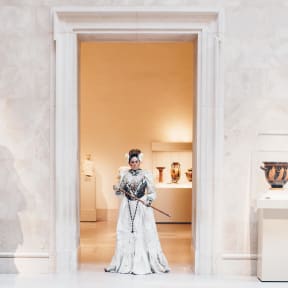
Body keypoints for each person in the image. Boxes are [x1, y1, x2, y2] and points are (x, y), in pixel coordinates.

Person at [105, 149, 170, 274]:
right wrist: (117, 188)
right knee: (127, 232)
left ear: (139, 162)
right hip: (127, 207)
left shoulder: (146, 174)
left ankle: (142, 263)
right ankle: (126, 263)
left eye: (136, 162)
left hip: (141, 207)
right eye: (132, 162)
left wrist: (149, 201)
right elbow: (120, 192)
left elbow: (151, 191)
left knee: (141, 232)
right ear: (129, 163)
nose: (134, 164)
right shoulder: (125, 175)